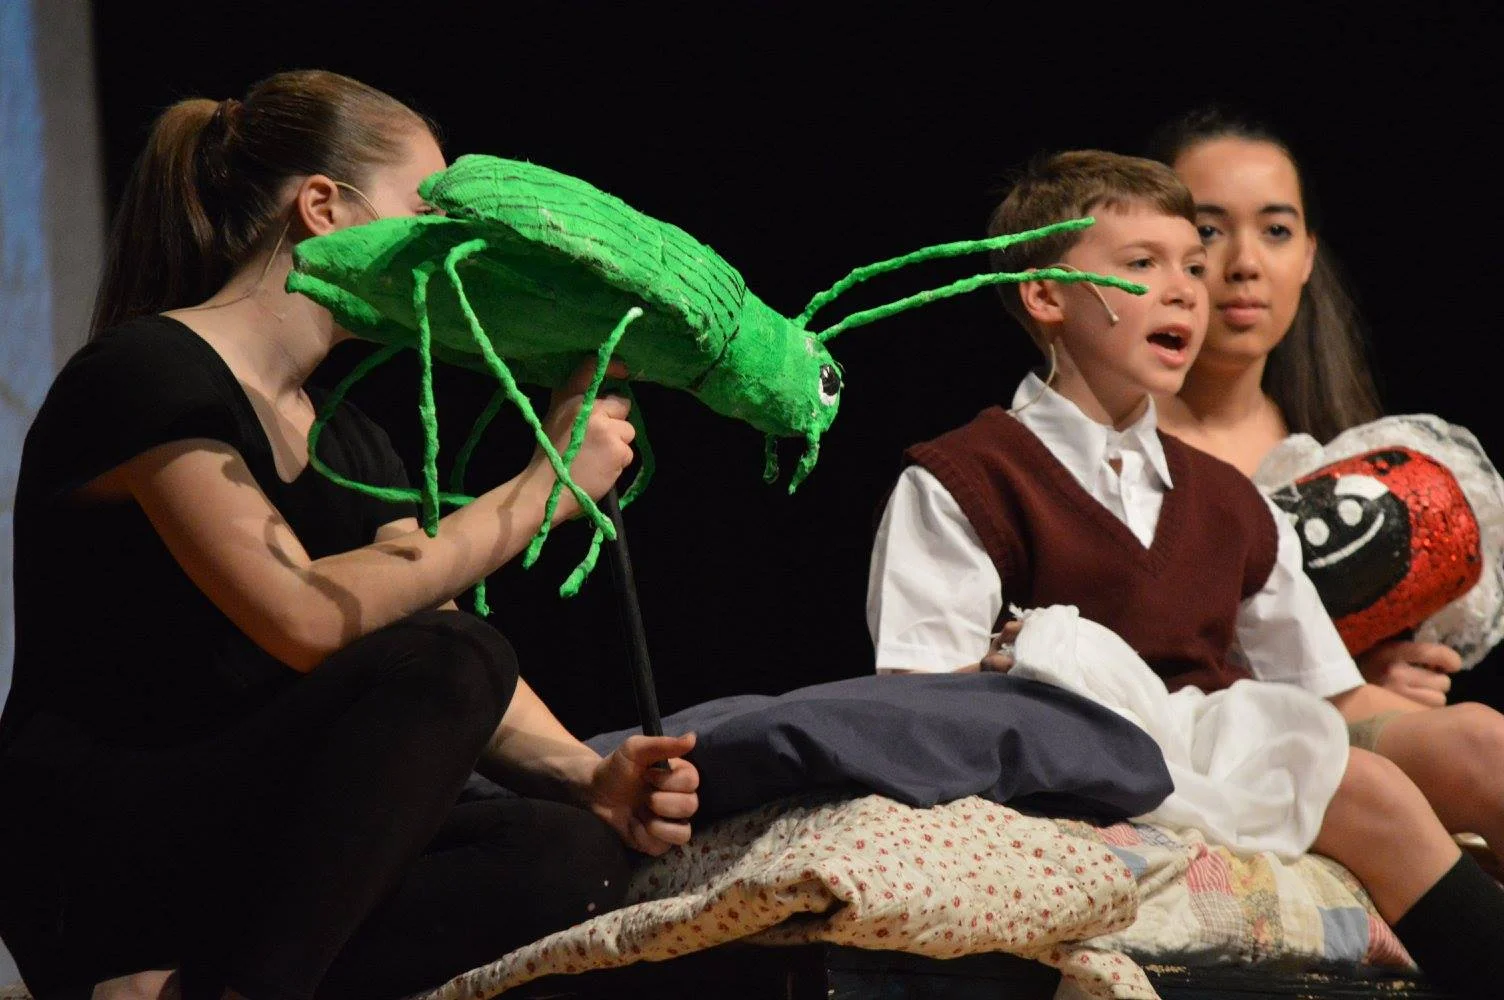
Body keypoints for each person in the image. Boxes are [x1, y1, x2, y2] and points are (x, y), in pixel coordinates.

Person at [0, 70, 699, 1000]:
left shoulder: (346, 431)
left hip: (251, 845)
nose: (445, 246)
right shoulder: (144, 371)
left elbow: (435, 620)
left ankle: (192, 986)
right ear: (324, 208)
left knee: (567, 853)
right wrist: (542, 489)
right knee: (457, 657)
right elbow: (302, 615)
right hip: (109, 844)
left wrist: (586, 776)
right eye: (426, 211)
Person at [865, 149, 1504, 994]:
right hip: (1083, 756)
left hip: (1211, 740)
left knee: (1448, 753)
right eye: (1142, 265)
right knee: (1366, 791)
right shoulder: (968, 478)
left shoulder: (1227, 499)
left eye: (1192, 269)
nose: (1184, 292)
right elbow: (923, 698)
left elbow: (1326, 690)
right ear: (1046, 295)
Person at [1144, 107, 1481, 710]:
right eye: (1208, 231)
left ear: (1307, 256)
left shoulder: (1338, 445)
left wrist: (1367, 673)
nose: (1245, 264)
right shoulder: (1109, 443)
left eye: (1276, 231)